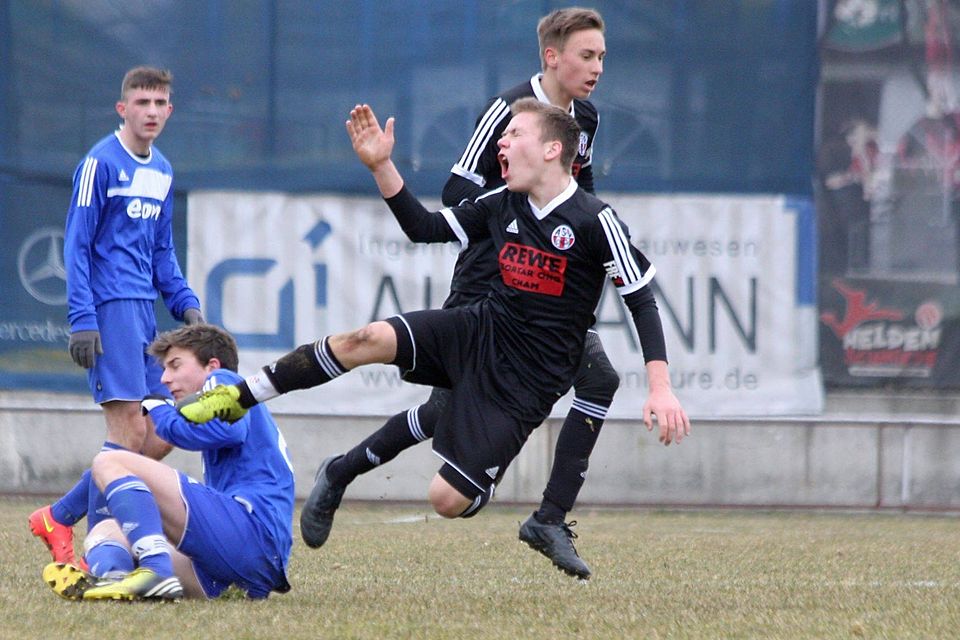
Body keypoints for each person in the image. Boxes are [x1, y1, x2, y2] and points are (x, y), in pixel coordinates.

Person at [177, 101, 690, 571]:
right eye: (503, 135)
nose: (501, 143)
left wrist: (660, 387)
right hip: (478, 329)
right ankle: (239, 396)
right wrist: (381, 166)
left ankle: (536, 514)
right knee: (365, 338)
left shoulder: (595, 221)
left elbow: (641, 300)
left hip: (525, 381)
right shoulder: (501, 201)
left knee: (447, 501)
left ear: (554, 149)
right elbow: (422, 227)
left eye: (514, 134)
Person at [297, 7, 616, 581]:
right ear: (552, 57)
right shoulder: (508, 111)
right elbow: (454, 190)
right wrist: (515, 209)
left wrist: (574, 234)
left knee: (598, 377)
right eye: (587, 55)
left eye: (600, 57)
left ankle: (548, 518)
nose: (596, 67)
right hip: (489, 279)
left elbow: (579, 183)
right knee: (449, 403)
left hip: (547, 284)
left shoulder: (583, 118)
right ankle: (340, 473)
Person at [29, 66, 204, 568]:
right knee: (128, 435)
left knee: (164, 431)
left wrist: (185, 303)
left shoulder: (164, 170)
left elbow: (162, 251)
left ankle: (60, 515)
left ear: (169, 111)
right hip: (109, 311)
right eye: (141, 103)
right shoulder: (99, 163)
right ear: (122, 108)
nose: (151, 112)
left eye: (160, 103)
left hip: (145, 315)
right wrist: (83, 318)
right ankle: (105, 538)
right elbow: (77, 245)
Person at [42, 324, 294, 601]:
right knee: (106, 530)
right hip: (237, 567)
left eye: (175, 365)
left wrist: (161, 411)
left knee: (109, 460)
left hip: (251, 536)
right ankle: (115, 580)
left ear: (211, 365)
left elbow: (227, 429)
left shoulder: (224, 378)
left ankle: (155, 570)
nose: (164, 378)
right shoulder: (223, 398)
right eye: (164, 368)